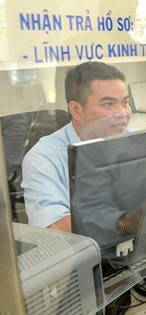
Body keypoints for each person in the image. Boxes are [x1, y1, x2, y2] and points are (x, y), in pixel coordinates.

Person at [22, 61, 133, 233]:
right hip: (87, 255)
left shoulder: (136, 140)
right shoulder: (44, 158)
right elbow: (54, 227)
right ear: (75, 109)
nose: (122, 113)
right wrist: (121, 223)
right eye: (108, 104)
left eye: (125, 102)